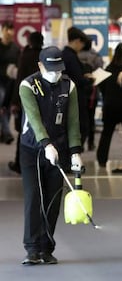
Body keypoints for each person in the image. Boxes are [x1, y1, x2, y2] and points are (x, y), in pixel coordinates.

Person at [19, 46, 83, 265]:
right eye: (51, 69)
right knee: (34, 198)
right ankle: (32, 249)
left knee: (53, 201)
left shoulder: (69, 86)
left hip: (60, 148)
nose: (56, 73)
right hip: (32, 150)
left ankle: (47, 248)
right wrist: (46, 144)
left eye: (59, 69)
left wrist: (75, 152)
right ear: (40, 66)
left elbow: (73, 122)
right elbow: (34, 120)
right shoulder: (28, 85)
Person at [9, 31, 44, 174]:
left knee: (24, 131)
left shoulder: (25, 56)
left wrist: (14, 102)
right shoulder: (44, 56)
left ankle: (20, 164)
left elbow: (20, 80)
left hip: (26, 99)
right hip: (43, 99)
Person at [96, 43, 122, 173]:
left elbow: (101, 87)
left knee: (106, 133)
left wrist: (107, 96)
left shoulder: (108, 69)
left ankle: (101, 159)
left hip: (109, 105)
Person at [62, 27, 89, 147]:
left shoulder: (65, 55)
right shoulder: (71, 57)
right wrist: (88, 79)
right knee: (81, 128)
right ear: (77, 41)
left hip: (67, 98)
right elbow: (77, 79)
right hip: (75, 99)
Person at [78, 38, 104, 151]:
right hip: (92, 92)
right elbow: (100, 71)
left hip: (79, 91)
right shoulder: (96, 56)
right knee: (91, 117)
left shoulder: (76, 56)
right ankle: (91, 142)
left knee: (78, 118)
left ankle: (80, 142)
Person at [0, 21, 21, 145]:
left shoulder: (15, 48)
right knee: (2, 100)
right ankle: (7, 133)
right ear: (2, 30)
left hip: (10, 81)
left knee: (6, 107)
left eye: (12, 30)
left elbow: (18, 64)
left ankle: (4, 132)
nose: (10, 32)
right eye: (8, 29)